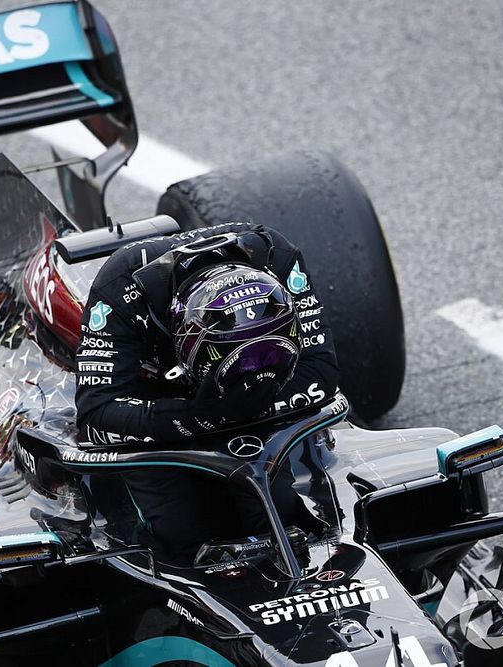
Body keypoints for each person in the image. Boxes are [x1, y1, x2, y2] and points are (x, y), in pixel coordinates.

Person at [74, 222, 338, 563]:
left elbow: (323, 370)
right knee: (174, 539)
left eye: (267, 351)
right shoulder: (121, 289)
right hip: (155, 393)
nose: (252, 367)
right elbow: (96, 412)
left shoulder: (279, 260)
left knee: (283, 515)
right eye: (238, 358)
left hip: (256, 399)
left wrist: (241, 402)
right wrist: (195, 416)